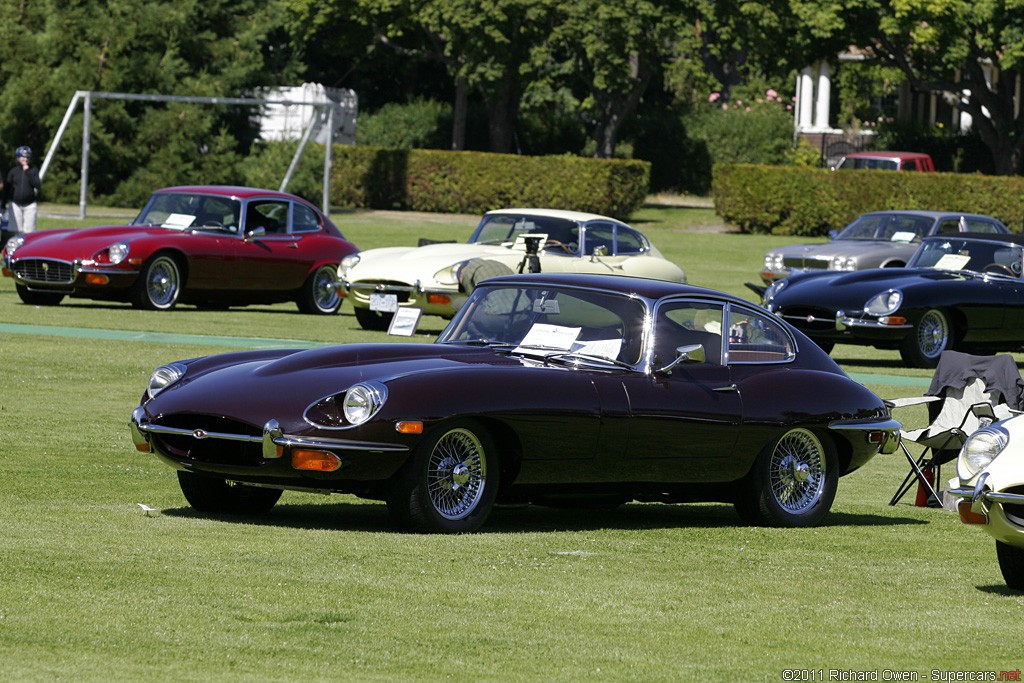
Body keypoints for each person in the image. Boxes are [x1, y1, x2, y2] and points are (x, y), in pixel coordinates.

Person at [2, 145, 41, 233]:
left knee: (30, 231)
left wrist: (27, 171)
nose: (25, 159)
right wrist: (3, 205)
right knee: (17, 230)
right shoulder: (13, 171)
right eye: (23, 157)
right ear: (18, 158)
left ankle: (28, 247)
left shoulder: (33, 170)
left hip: (30, 205)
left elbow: (37, 185)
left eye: (27, 157)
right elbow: (6, 189)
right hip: (15, 205)